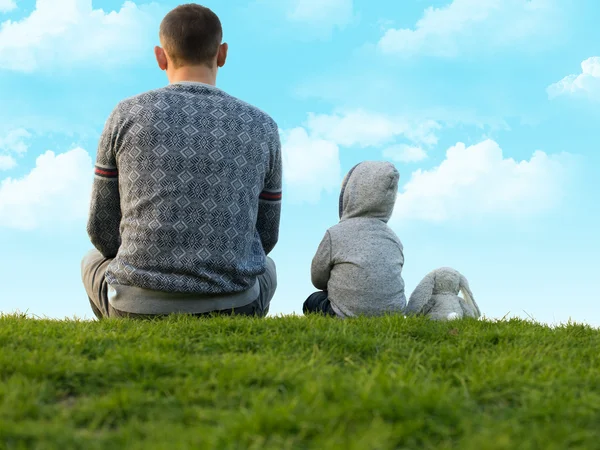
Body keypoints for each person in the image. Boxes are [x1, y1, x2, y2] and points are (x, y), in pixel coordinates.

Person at [81, 4, 281, 319]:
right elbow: (266, 234)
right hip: (235, 304)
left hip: (136, 305)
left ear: (161, 56)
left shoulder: (125, 115)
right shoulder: (263, 125)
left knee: (90, 260)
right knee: (267, 266)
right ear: (222, 53)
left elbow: (101, 227)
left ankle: (122, 331)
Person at [303, 161, 406, 317]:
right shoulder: (394, 238)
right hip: (392, 315)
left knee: (313, 300)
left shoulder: (335, 233)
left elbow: (318, 280)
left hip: (343, 314)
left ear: (350, 193)